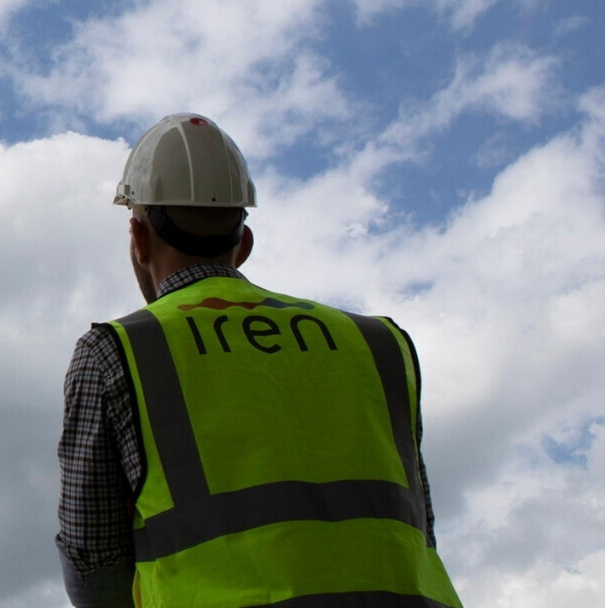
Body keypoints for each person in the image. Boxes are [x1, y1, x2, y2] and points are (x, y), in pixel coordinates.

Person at [56, 113, 462, 608]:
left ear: (139, 239)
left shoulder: (116, 351)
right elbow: (418, 526)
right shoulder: (380, 343)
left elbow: (94, 562)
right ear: (243, 245)